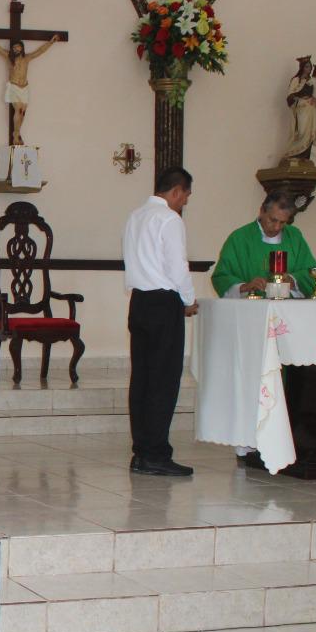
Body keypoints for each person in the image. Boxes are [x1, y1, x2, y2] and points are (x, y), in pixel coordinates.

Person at [122, 167, 199, 477]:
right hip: (163, 304)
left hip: (139, 302)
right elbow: (177, 266)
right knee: (163, 380)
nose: (184, 203)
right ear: (177, 191)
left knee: (142, 379)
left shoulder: (135, 216)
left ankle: (141, 452)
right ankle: (155, 453)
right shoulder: (169, 219)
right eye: (186, 197)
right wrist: (189, 300)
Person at [210, 192, 316, 298]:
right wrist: (245, 287)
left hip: (288, 311)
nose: (277, 227)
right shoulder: (239, 238)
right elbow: (221, 277)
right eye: (273, 220)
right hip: (251, 310)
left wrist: (292, 280)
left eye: (282, 222)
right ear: (262, 211)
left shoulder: (294, 236)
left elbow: (311, 272)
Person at [0, 30, 63, 146]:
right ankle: (16, 135)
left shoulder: (27, 58)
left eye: (18, 47)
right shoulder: (9, 57)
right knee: (19, 110)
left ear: (22, 48)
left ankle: (17, 133)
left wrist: (51, 42)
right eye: (14, 48)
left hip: (24, 87)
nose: (16, 49)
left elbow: (40, 51)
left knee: (23, 113)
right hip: (14, 86)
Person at [282, 55, 316, 161]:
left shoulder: (312, 81)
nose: (309, 69)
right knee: (301, 131)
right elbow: (290, 95)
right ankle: (293, 153)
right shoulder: (296, 80)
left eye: (310, 67)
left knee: (310, 131)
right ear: (302, 67)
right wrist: (299, 99)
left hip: (311, 109)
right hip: (301, 108)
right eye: (307, 66)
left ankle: (304, 156)